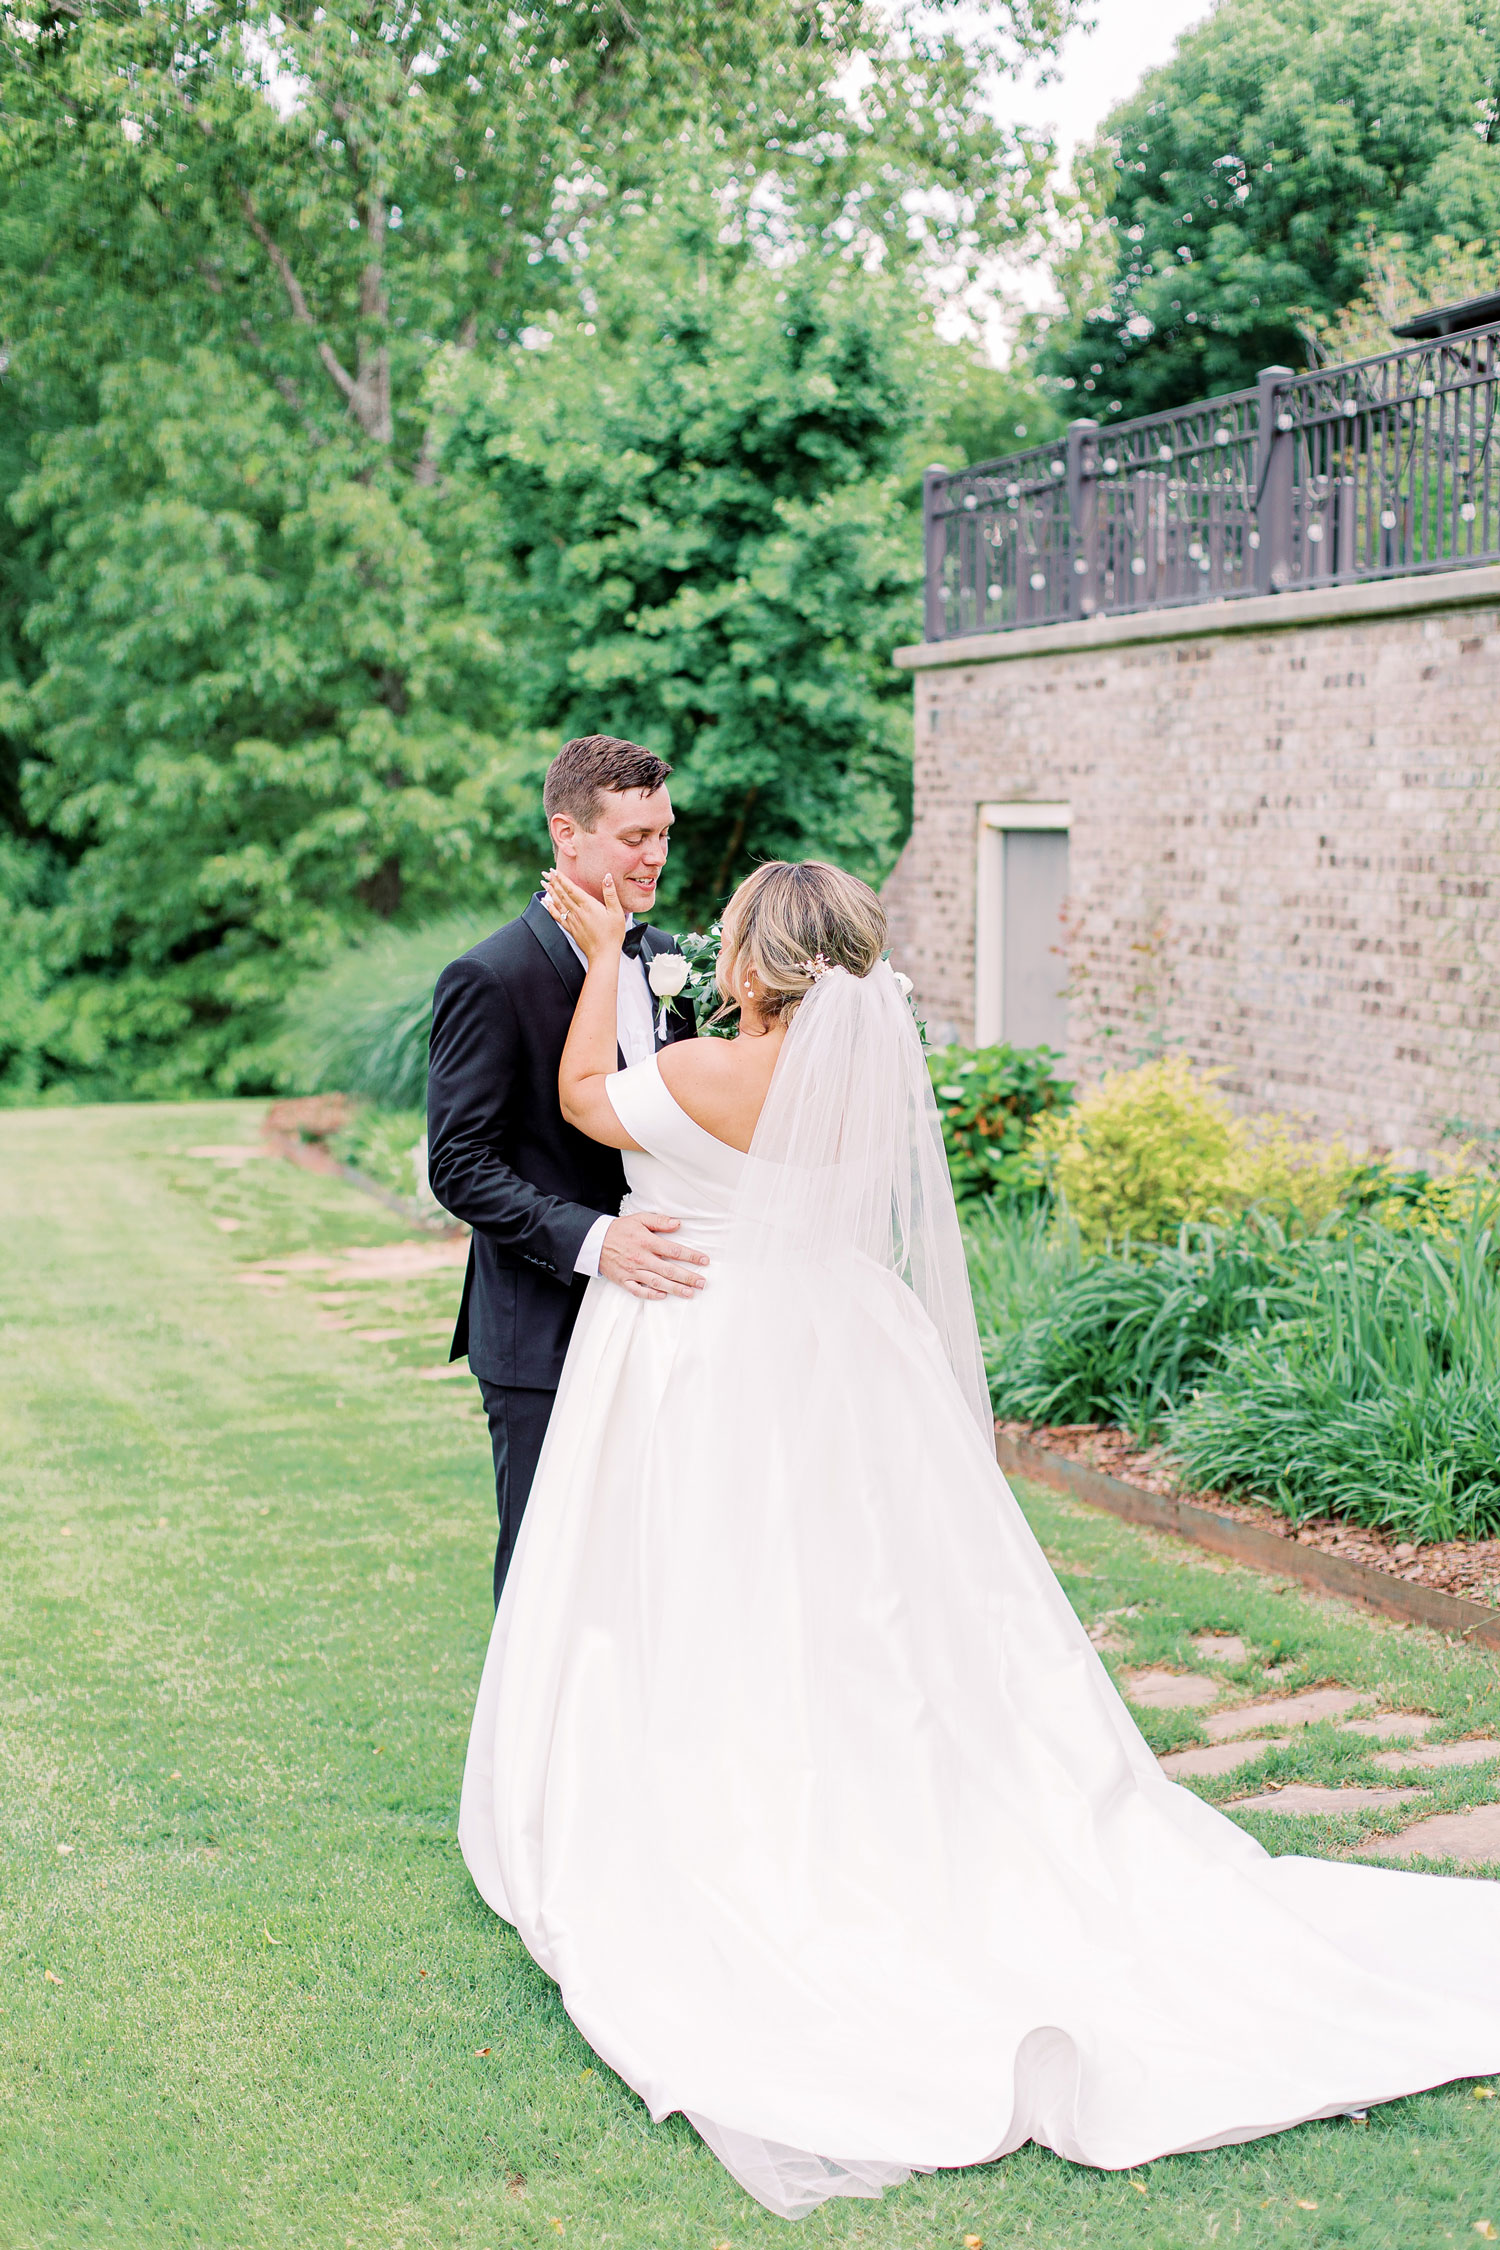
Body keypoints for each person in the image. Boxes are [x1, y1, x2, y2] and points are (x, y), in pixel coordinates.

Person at [457, 857, 1500, 2220]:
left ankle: (744, 1799)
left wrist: (600, 957)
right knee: (878, 1600)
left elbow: (587, 1100)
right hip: (838, 1348)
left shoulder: (715, 1067)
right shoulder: (858, 1081)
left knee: (727, 1588)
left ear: (762, 959)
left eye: (726, 934)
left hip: (714, 1355)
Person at [425, 734, 700, 1605]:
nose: (655, 855)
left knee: (654, 1560)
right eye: (634, 838)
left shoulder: (670, 966)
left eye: (663, 832)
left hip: (668, 1315)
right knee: (548, 1569)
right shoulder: (489, 977)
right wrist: (597, 1241)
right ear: (567, 835)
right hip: (544, 1324)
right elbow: (458, 1164)